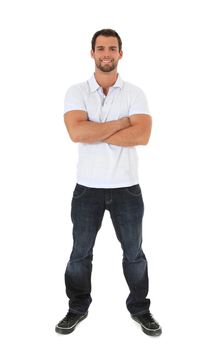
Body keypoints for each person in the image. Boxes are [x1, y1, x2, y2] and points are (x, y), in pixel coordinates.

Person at [55, 28, 162, 337]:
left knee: (134, 254)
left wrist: (96, 129)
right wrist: (121, 124)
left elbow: (142, 135)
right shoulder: (76, 92)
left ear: (120, 54)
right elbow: (77, 133)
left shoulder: (135, 93)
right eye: (100, 48)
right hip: (87, 188)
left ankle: (140, 309)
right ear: (92, 53)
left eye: (111, 48)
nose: (106, 53)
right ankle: (76, 308)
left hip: (127, 188)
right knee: (80, 253)